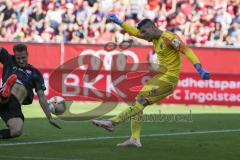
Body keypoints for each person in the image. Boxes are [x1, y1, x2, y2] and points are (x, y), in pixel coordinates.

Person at [92, 14, 210, 147]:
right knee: (139, 102)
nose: (142, 35)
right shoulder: (153, 37)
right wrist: (119, 22)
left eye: (144, 32)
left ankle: (113, 122)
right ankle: (135, 138)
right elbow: (135, 32)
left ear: (153, 28)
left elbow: (187, 51)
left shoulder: (169, 38)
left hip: (169, 79)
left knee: (141, 100)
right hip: (160, 77)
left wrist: (199, 68)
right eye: (142, 32)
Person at [0, 43, 61, 139]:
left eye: (23, 58)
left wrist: (49, 117)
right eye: (18, 58)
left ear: (28, 54)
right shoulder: (8, 59)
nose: (21, 61)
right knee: (15, 87)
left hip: (13, 106)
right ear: (14, 55)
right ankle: (5, 93)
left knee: (16, 131)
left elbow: (41, 97)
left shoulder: (34, 72)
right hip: (8, 95)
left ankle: (5, 93)